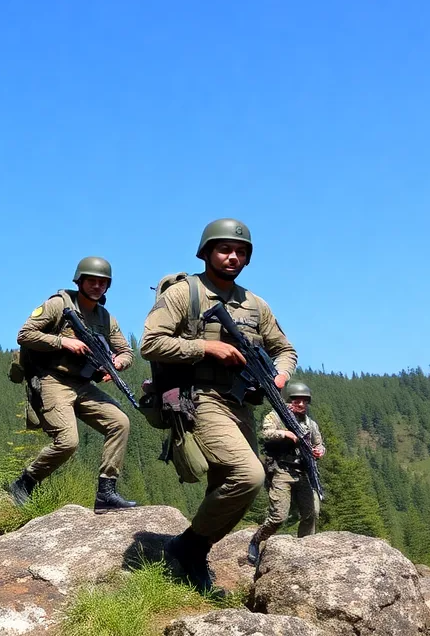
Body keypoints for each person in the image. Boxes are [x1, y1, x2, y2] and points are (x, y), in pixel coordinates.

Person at [141, 218, 297, 593]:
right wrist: (206, 347)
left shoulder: (255, 304)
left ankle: (194, 558)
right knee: (250, 475)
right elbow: (150, 343)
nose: (233, 257)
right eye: (225, 249)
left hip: (241, 404)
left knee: (228, 483)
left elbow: (285, 349)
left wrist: (281, 375)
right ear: (207, 252)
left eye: (241, 252)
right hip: (200, 399)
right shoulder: (185, 294)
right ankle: (189, 546)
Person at [8, 256, 137, 513]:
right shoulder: (58, 305)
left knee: (119, 422)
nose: (97, 286)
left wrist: (118, 363)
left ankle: (106, 492)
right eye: (92, 280)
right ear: (80, 281)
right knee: (67, 442)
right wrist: (64, 342)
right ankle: (25, 482)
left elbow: (126, 351)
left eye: (103, 282)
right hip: (54, 379)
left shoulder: (105, 318)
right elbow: (24, 334)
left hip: (83, 384)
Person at [247, 382, 325, 564]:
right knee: (278, 516)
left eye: (305, 401)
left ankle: (305, 547)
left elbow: (319, 443)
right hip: (281, 470)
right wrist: (285, 434)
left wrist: (319, 451)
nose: (301, 405)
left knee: (311, 513)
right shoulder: (276, 416)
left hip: (303, 470)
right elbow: (266, 433)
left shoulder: (310, 424)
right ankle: (256, 540)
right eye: (297, 401)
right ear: (289, 400)